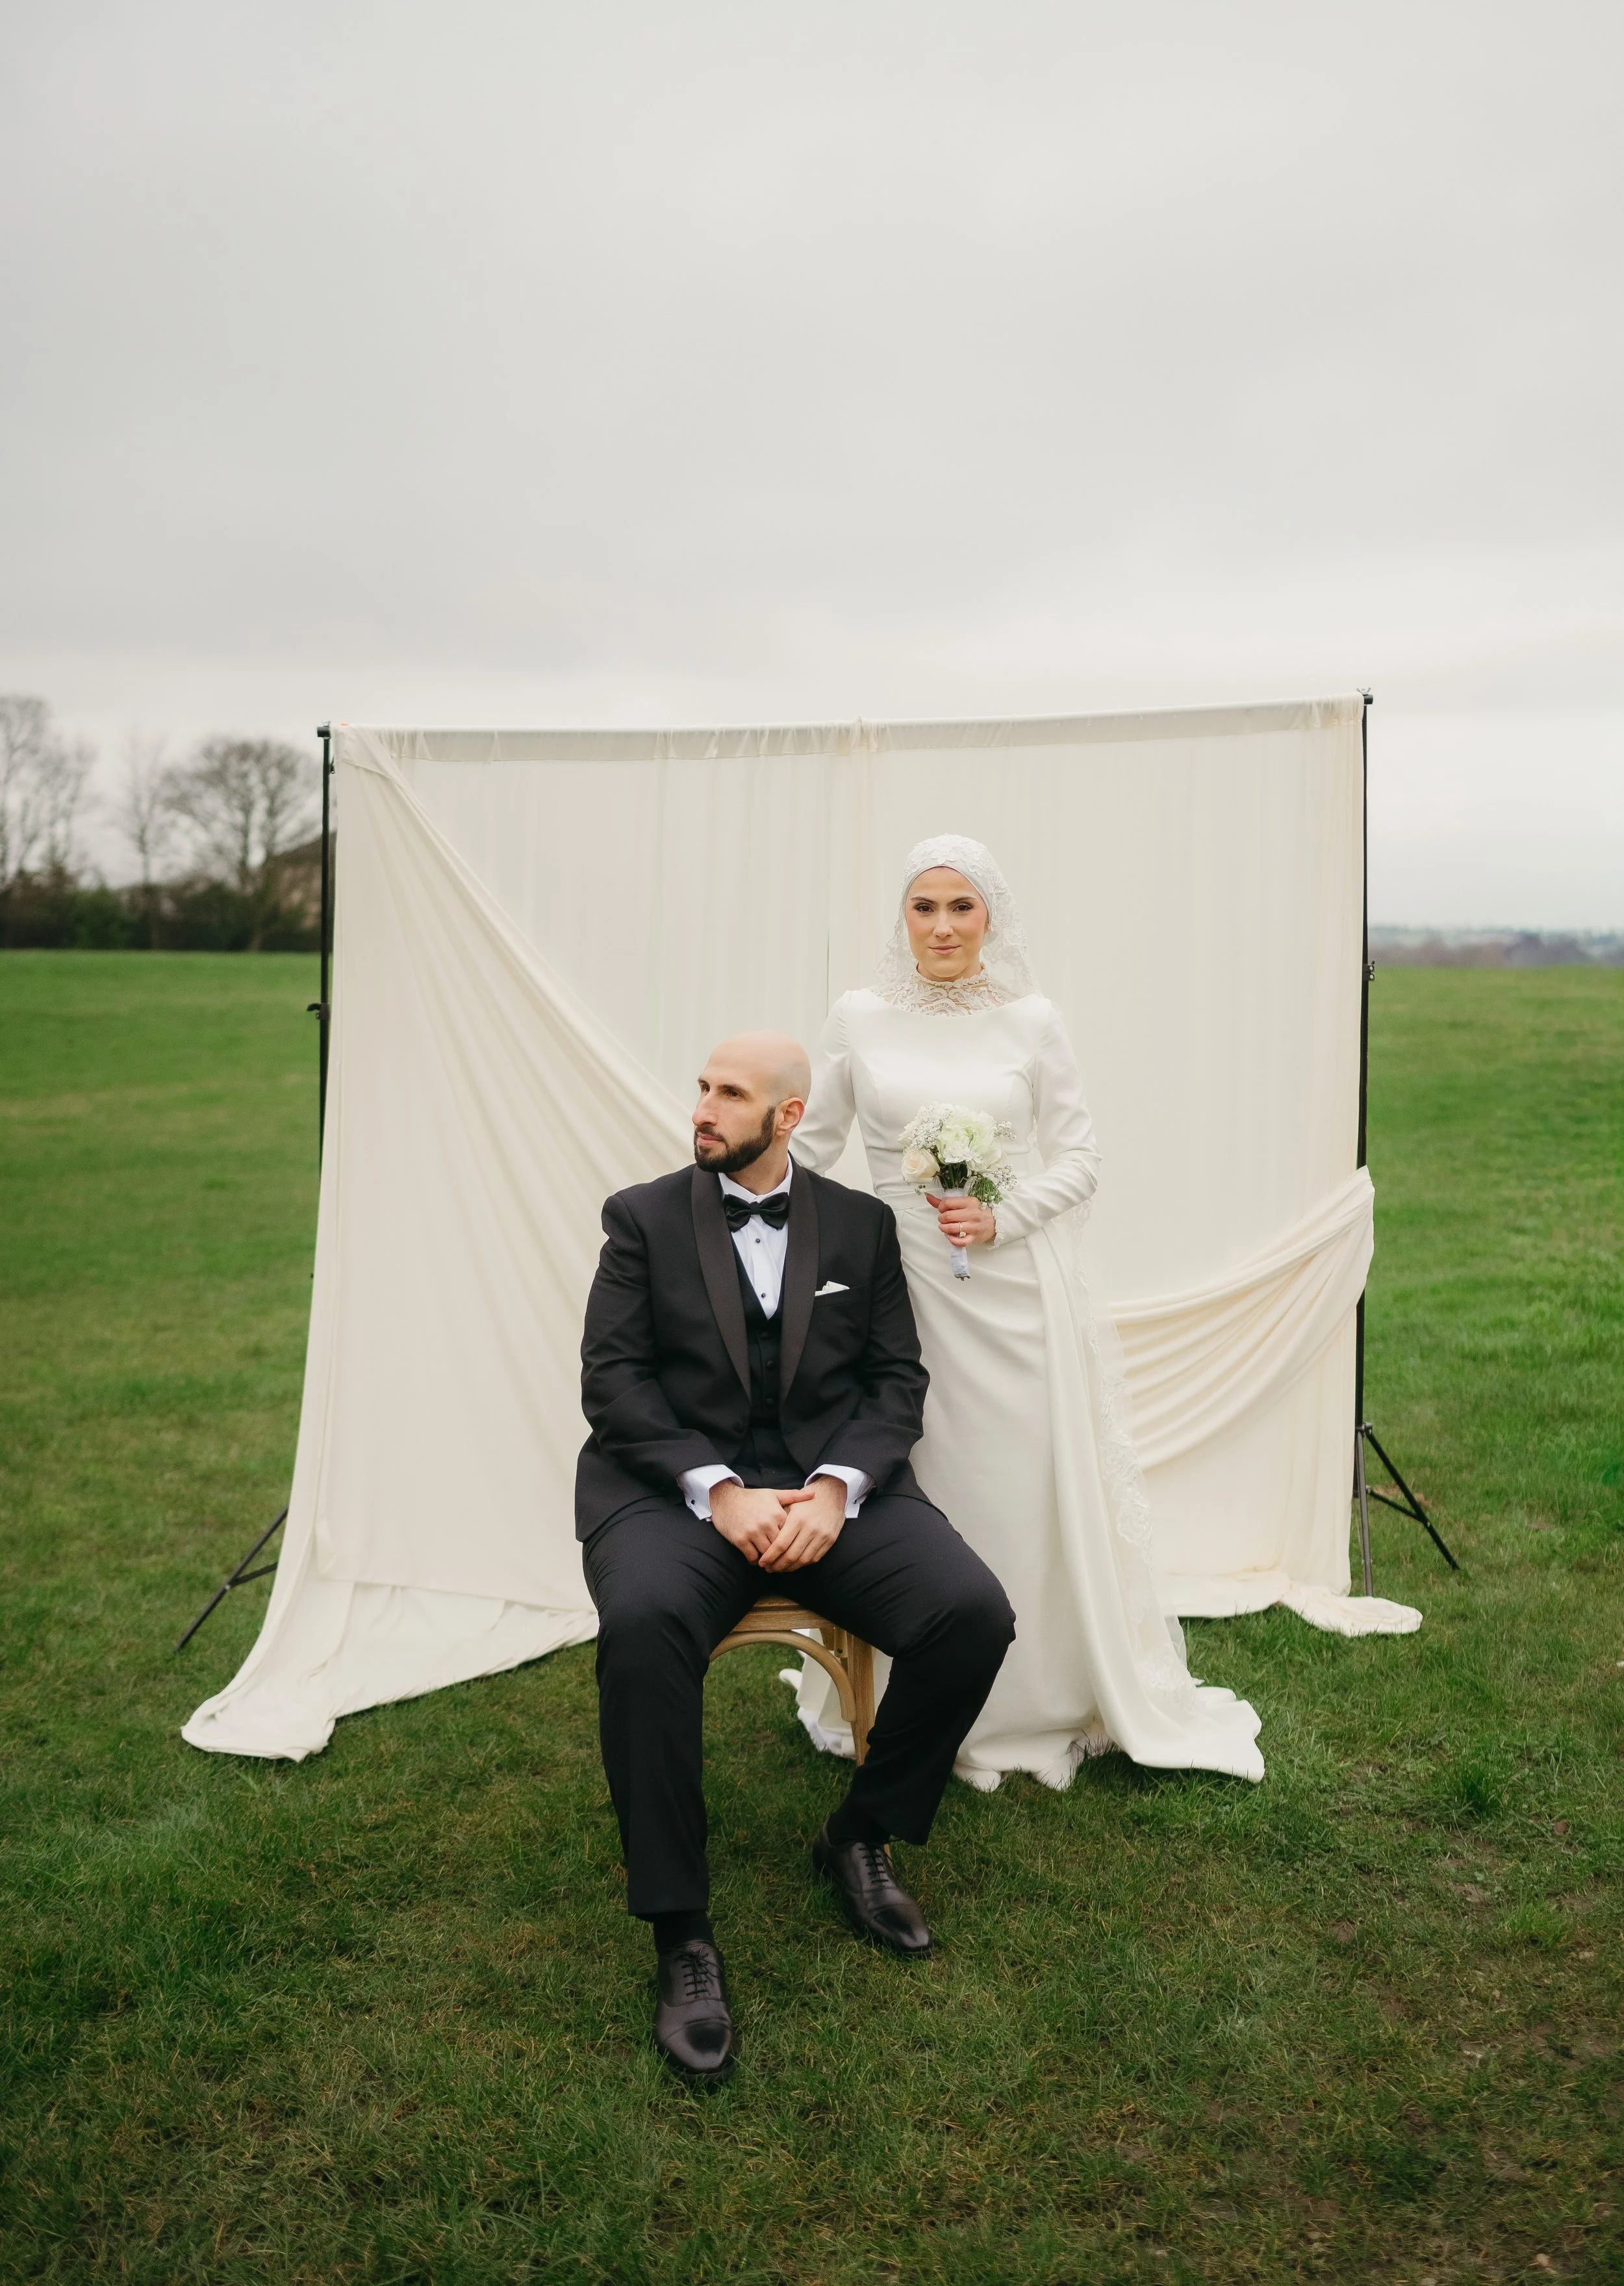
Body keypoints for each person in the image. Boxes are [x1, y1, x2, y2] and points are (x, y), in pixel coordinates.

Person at [577, 1030, 1015, 2083]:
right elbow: (615, 1383)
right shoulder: (640, 1219)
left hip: (834, 1498)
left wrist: (834, 1490)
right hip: (675, 1503)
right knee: (641, 1629)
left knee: (973, 1613)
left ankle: (860, 1834)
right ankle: (681, 1933)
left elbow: (895, 1381)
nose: (704, 1107)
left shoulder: (861, 1227)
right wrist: (718, 1490)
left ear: (787, 1115)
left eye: (730, 1093)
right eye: (702, 1087)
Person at [791, 836, 1265, 1794]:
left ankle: (1028, 1692)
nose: (942, 927)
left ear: (991, 919)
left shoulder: (1033, 1021)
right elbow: (812, 1145)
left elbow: (1081, 1159)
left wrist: (1003, 1216)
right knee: (912, 1471)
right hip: (899, 1287)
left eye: (962, 908)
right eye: (924, 907)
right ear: (903, 919)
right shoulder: (859, 1017)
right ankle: (889, 1687)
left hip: (1012, 1294)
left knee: (1014, 1482)